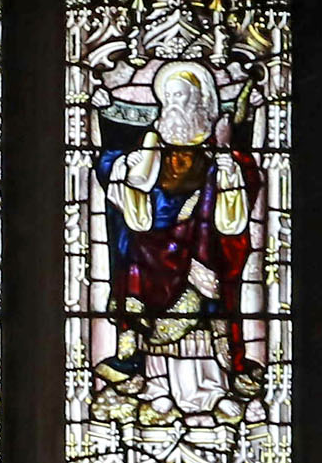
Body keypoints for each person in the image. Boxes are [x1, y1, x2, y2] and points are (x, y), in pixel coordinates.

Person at [95, 62, 261, 421]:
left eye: (182, 96)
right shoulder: (152, 145)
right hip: (152, 244)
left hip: (201, 245)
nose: (175, 103)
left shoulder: (215, 154)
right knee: (139, 282)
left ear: (202, 101)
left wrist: (229, 166)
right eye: (169, 97)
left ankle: (212, 386)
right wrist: (128, 169)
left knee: (203, 301)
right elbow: (125, 182)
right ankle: (155, 385)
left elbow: (235, 208)